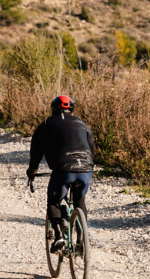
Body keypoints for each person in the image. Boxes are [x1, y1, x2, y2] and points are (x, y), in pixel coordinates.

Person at [26, 95, 97, 252]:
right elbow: (91, 148)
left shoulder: (46, 124)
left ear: (52, 109)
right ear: (72, 109)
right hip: (86, 169)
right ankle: (81, 240)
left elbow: (36, 151)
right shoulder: (82, 123)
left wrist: (32, 170)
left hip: (63, 170)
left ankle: (59, 237)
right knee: (79, 201)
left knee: (53, 202)